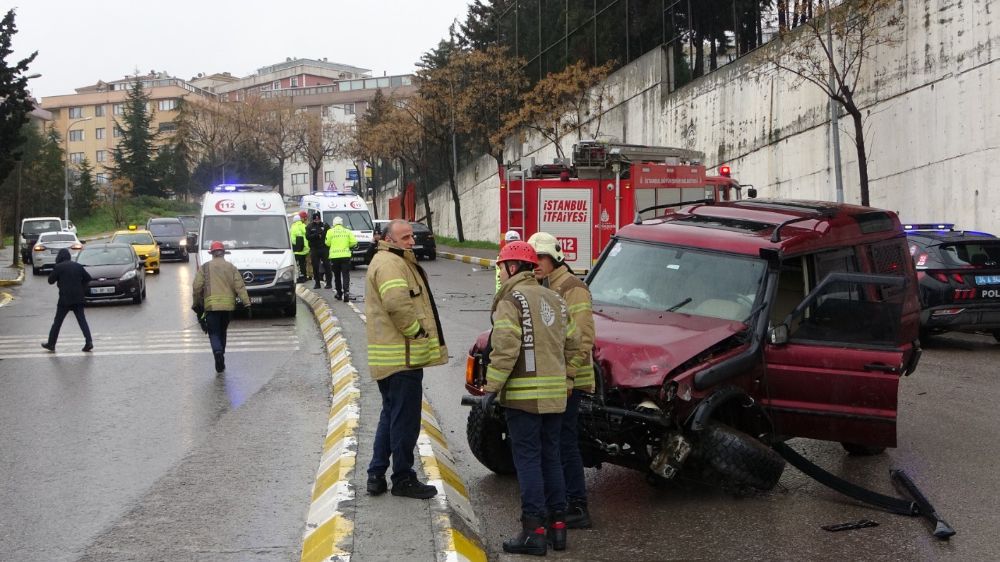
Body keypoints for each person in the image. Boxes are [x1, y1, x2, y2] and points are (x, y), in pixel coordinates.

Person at [486, 241, 582, 556]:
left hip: (524, 398)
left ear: (513, 267)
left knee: (527, 460)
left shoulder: (511, 300)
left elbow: (505, 347)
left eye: (501, 266)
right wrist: (567, 377)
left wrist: (491, 387)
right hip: (556, 396)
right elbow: (575, 343)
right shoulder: (555, 298)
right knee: (551, 458)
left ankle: (533, 532)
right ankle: (557, 529)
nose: (500, 272)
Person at [365, 219, 447, 499]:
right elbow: (397, 304)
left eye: (412, 236)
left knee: (390, 416)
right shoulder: (391, 263)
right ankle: (403, 478)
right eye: (405, 237)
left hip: (394, 357)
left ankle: (376, 475)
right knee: (405, 421)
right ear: (389, 238)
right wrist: (417, 332)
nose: (412, 241)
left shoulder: (392, 260)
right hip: (403, 357)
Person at [528, 232, 595, 529]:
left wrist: (568, 376)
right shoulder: (545, 287)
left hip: (570, 380)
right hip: (555, 380)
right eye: (532, 259)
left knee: (565, 444)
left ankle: (578, 506)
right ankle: (563, 502)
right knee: (554, 443)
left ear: (555, 257)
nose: (536, 264)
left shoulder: (572, 288)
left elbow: (583, 339)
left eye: (540, 257)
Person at [192, 241, 250, 374]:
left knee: (213, 333)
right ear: (223, 253)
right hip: (228, 307)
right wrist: (247, 303)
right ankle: (221, 354)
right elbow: (239, 286)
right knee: (222, 331)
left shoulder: (205, 268)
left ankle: (217, 353)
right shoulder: (231, 267)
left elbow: (196, 288)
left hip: (211, 307)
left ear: (212, 253)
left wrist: (196, 304)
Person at [41, 248, 94, 352]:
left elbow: (50, 281)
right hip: (78, 298)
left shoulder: (59, 267)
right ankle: (89, 342)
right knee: (82, 321)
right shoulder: (78, 266)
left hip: (64, 299)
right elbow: (88, 278)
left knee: (57, 322)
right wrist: (81, 288)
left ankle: (51, 344)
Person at [325, 216, 357, 302]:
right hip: (345, 256)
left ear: (334, 223)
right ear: (342, 223)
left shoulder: (330, 231)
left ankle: (339, 293)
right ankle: (346, 292)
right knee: (345, 275)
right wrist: (347, 246)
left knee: (337, 275)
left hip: (334, 257)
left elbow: (327, 243)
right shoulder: (347, 231)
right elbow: (354, 242)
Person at [306, 212, 330, 289]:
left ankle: (329, 283)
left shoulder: (325, 225)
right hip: (314, 248)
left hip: (324, 248)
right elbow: (308, 237)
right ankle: (317, 283)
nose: (317, 220)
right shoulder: (309, 226)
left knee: (327, 266)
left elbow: (329, 235)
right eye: (315, 219)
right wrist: (317, 235)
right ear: (313, 220)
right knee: (315, 266)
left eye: (318, 219)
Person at [290, 210, 310, 283]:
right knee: (303, 264)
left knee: (297, 264)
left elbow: (292, 239)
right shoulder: (304, 226)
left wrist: (296, 245)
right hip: (305, 249)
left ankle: (298, 277)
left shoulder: (292, 227)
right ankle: (304, 276)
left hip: (296, 249)